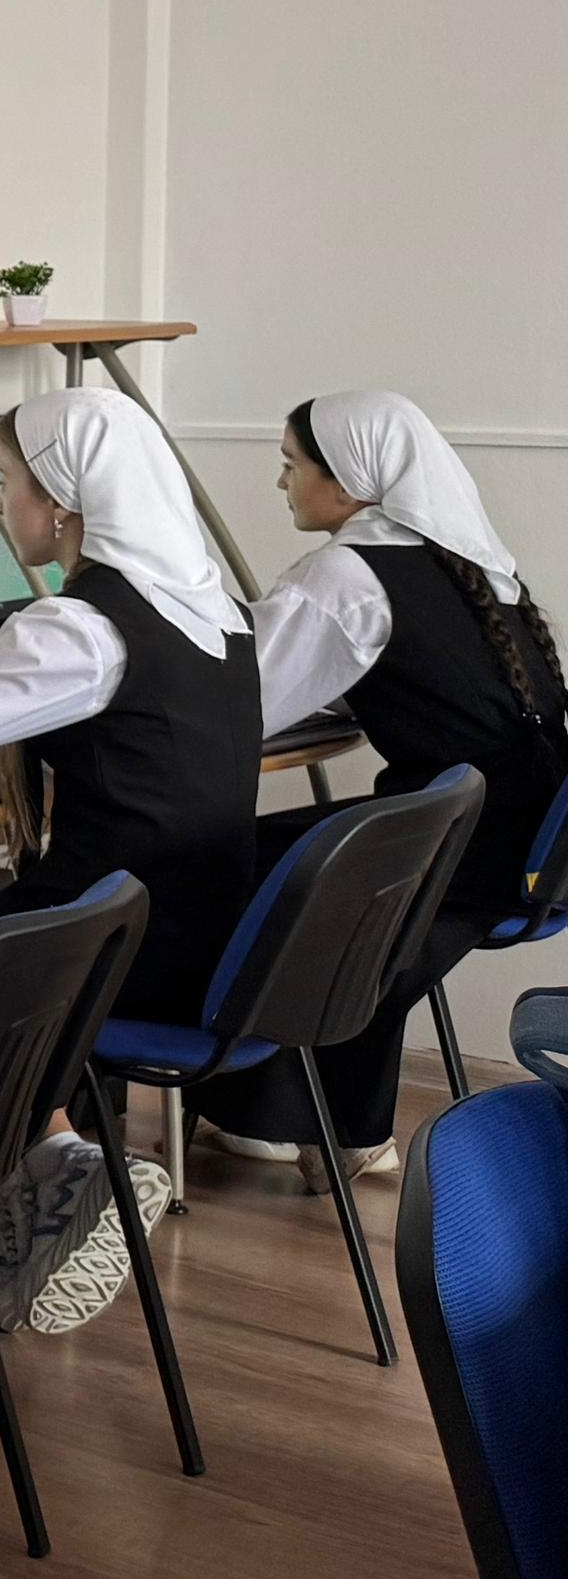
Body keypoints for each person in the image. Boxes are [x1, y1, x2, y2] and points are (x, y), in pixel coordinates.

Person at [206, 391, 566, 1174]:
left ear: (349, 480)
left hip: (455, 852)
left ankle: (280, 1113)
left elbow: (233, 704)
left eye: (292, 465)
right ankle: (312, 1119)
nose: (282, 483)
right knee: (304, 862)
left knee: (219, 859)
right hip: (525, 849)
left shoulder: (350, 571)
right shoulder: (475, 562)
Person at [0, 391, 263, 1027]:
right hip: (201, 939)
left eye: (6, 479)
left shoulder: (83, 630)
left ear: (60, 502)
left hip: (114, 955)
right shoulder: (217, 610)